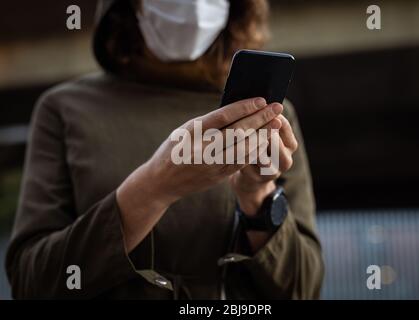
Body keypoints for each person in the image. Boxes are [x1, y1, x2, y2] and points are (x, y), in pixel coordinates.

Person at [6, 0, 324, 299]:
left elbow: (304, 289)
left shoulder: (266, 114)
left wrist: (257, 196)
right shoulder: (65, 109)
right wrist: (154, 187)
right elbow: (31, 283)